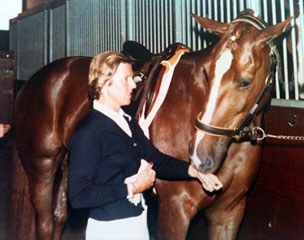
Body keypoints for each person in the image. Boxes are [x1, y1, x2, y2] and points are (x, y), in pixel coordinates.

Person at [68, 51, 223, 240]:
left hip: (136, 221)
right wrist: (131, 188)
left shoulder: (127, 122)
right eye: (126, 79)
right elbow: (78, 196)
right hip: (110, 230)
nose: (133, 84)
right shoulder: (89, 131)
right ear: (104, 84)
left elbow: (155, 159)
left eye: (132, 78)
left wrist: (194, 172)